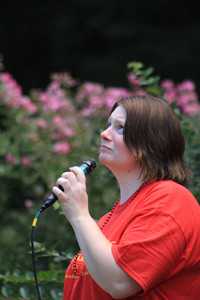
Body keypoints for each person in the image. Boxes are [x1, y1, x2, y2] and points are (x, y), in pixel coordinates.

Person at [53, 95, 200, 299]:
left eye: (120, 128)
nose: (104, 134)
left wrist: (79, 215)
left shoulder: (171, 200)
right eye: (108, 125)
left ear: (151, 141)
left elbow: (120, 282)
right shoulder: (107, 220)